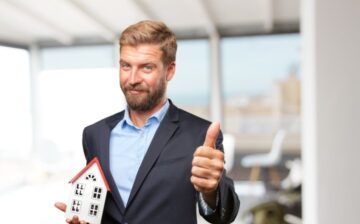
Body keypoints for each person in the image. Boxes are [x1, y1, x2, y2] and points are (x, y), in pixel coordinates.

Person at [55, 20, 240, 224]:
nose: (132, 78)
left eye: (146, 68)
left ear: (169, 70)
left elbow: (224, 215)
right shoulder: (94, 134)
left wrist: (211, 191)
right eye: (126, 66)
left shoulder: (199, 135)